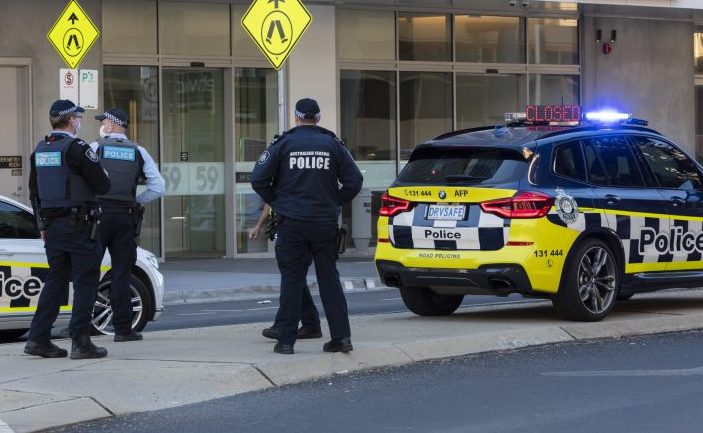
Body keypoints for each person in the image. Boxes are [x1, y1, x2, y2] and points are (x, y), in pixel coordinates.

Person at [251, 98, 363, 355]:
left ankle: (286, 341)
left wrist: (277, 199)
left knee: (292, 280)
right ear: (319, 118)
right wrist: (335, 201)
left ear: (297, 117)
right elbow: (354, 181)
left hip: (292, 223)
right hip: (324, 223)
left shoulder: (285, 143)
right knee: (329, 280)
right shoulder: (333, 144)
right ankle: (341, 338)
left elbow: (258, 178)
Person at [24, 99, 111, 359]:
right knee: (86, 280)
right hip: (80, 226)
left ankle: (38, 338)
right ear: (72, 120)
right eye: (78, 117)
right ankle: (81, 341)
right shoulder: (78, 148)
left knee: (56, 280)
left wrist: (42, 225)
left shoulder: (39, 150)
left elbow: (34, 193)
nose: (79, 122)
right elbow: (102, 185)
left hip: (53, 228)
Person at [93, 108, 165, 342]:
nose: (101, 125)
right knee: (122, 273)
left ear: (112, 125)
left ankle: (82, 325)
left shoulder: (95, 148)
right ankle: (123, 329)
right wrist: (136, 202)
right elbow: (158, 187)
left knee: (90, 272)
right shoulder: (139, 151)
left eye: (103, 121)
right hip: (125, 217)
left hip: (98, 217)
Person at [249, 202, 323, 341]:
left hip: (298, 235)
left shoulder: (296, 182)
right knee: (296, 280)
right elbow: (270, 201)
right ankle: (311, 324)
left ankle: (282, 326)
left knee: (292, 280)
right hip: (290, 232)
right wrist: (258, 225)